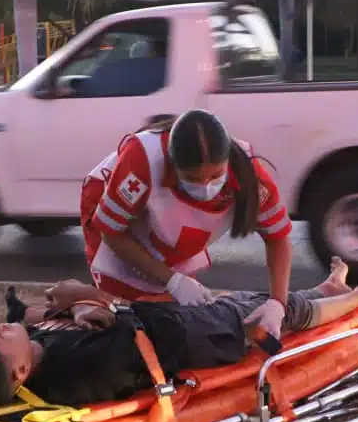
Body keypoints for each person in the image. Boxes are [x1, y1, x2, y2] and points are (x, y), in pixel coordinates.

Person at [0, 255, 358, 409]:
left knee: (253, 298)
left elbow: (31, 320)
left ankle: (328, 287)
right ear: (20, 371)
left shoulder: (40, 353)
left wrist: (64, 309)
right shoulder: (77, 367)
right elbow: (130, 344)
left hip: (177, 322)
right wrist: (87, 299)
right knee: (277, 310)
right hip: (197, 340)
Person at [79, 109, 294, 341]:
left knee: (177, 313)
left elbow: (278, 236)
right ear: (172, 165)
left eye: (216, 176)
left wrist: (278, 303)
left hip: (169, 234)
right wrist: (172, 280)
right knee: (125, 314)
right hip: (114, 214)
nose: (206, 186)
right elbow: (111, 233)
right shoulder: (142, 159)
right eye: (192, 179)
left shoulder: (248, 171)